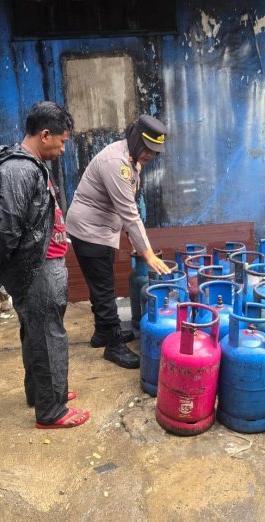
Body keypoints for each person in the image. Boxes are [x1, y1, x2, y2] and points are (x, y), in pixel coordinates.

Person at [0, 101, 89, 429]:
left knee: (36, 330)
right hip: (38, 266)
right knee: (48, 334)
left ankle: (43, 393)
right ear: (45, 135)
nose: (63, 149)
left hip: (41, 262)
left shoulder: (29, 165)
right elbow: (9, 221)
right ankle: (51, 410)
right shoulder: (20, 170)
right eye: (62, 141)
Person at [66, 115, 171, 369]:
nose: (150, 155)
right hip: (89, 231)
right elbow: (129, 211)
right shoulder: (117, 163)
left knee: (101, 284)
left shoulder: (131, 158)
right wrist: (147, 253)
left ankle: (102, 333)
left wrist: (132, 238)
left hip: (100, 230)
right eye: (147, 148)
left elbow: (122, 204)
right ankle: (113, 346)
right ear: (136, 139)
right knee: (104, 289)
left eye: (155, 151)